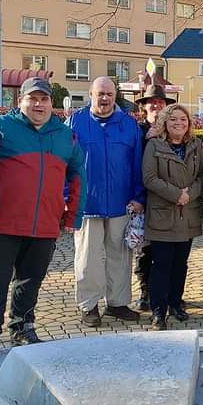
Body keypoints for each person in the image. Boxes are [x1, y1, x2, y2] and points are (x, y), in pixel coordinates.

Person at [0, 77, 85, 365]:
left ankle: (22, 325)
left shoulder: (65, 135)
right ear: (20, 101)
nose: (38, 104)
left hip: (44, 223)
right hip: (2, 223)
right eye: (32, 99)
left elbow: (78, 174)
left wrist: (74, 214)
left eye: (44, 99)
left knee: (31, 279)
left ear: (51, 103)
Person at [67, 77, 146, 327]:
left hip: (121, 203)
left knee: (120, 256)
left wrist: (139, 197)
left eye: (109, 94)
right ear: (91, 94)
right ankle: (88, 305)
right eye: (100, 93)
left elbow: (138, 164)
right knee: (87, 258)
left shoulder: (129, 125)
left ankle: (118, 302)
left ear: (115, 96)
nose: (105, 98)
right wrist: (67, 198)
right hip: (86, 204)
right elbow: (64, 163)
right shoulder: (75, 122)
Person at [142, 104, 203, 331]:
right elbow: (149, 178)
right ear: (165, 123)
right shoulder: (154, 145)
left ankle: (176, 303)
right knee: (161, 265)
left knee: (180, 264)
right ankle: (158, 311)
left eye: (183, 119)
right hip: (163, 215)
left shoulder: (196, 145)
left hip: (187, 214)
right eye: (173, 119)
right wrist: (175, 194)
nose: (179, 123)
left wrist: (189, 195)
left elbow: (202, 175)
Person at [133, 83, 176, 312]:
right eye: (152, 102)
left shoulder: (173, 131)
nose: (156, 106)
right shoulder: (138, 130)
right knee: (144, 250)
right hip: (144, 197)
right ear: (145, 106)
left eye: (160, 102)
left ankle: (168, 293)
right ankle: (145, 291)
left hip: (167, 198)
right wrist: (147, 139)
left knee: (167, 251)